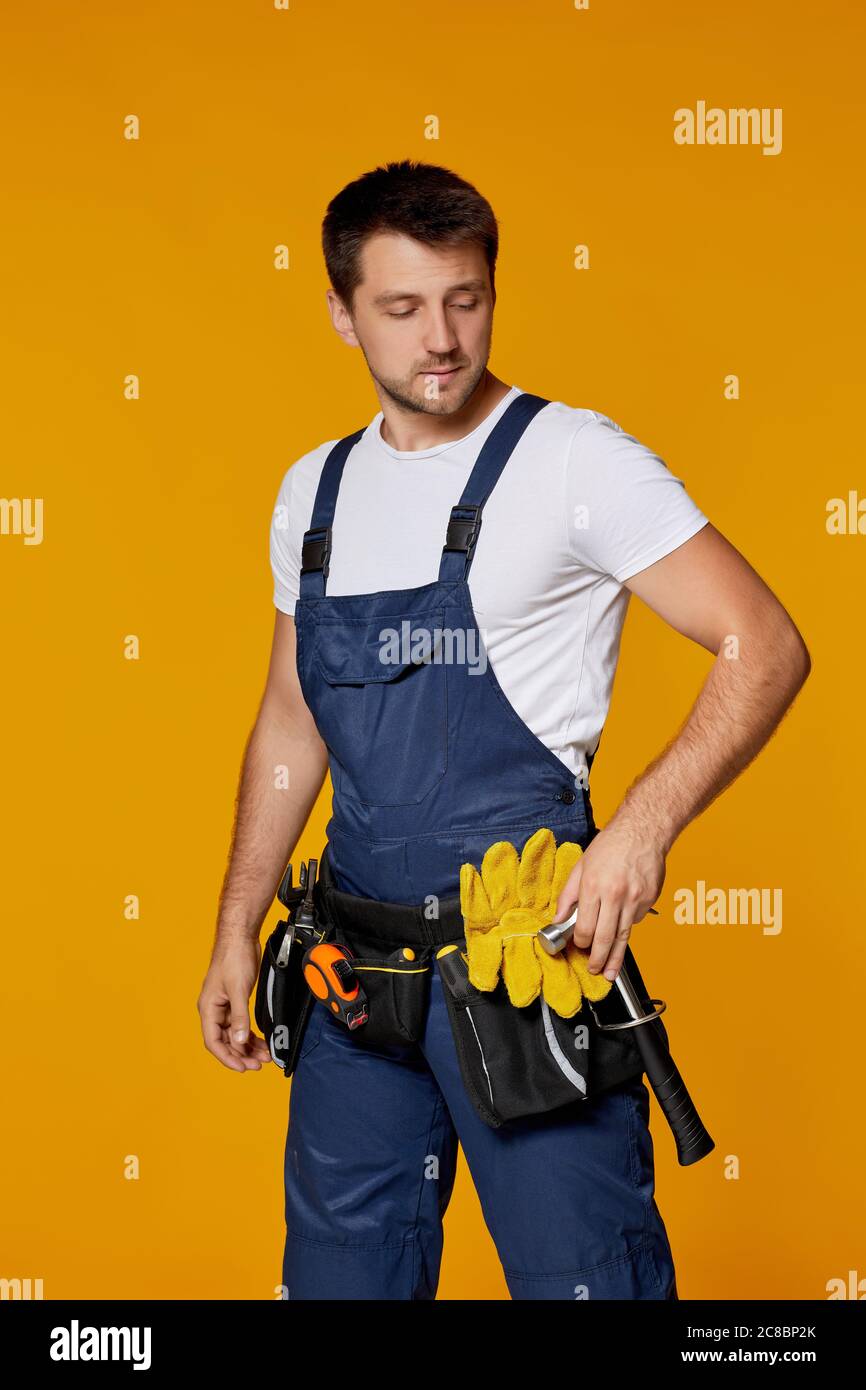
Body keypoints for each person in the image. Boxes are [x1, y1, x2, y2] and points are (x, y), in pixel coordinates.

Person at [197, 160, 810, 1301]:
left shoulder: (572, 461)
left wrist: (637, 830)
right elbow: (291, 717)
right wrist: (238, 923)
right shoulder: (313, 493)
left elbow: (762, 644)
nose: (442, 337)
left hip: (523, 982)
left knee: (587, 1283)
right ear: (339, 312)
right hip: (352, 984)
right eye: (401, 307)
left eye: (465, 298)